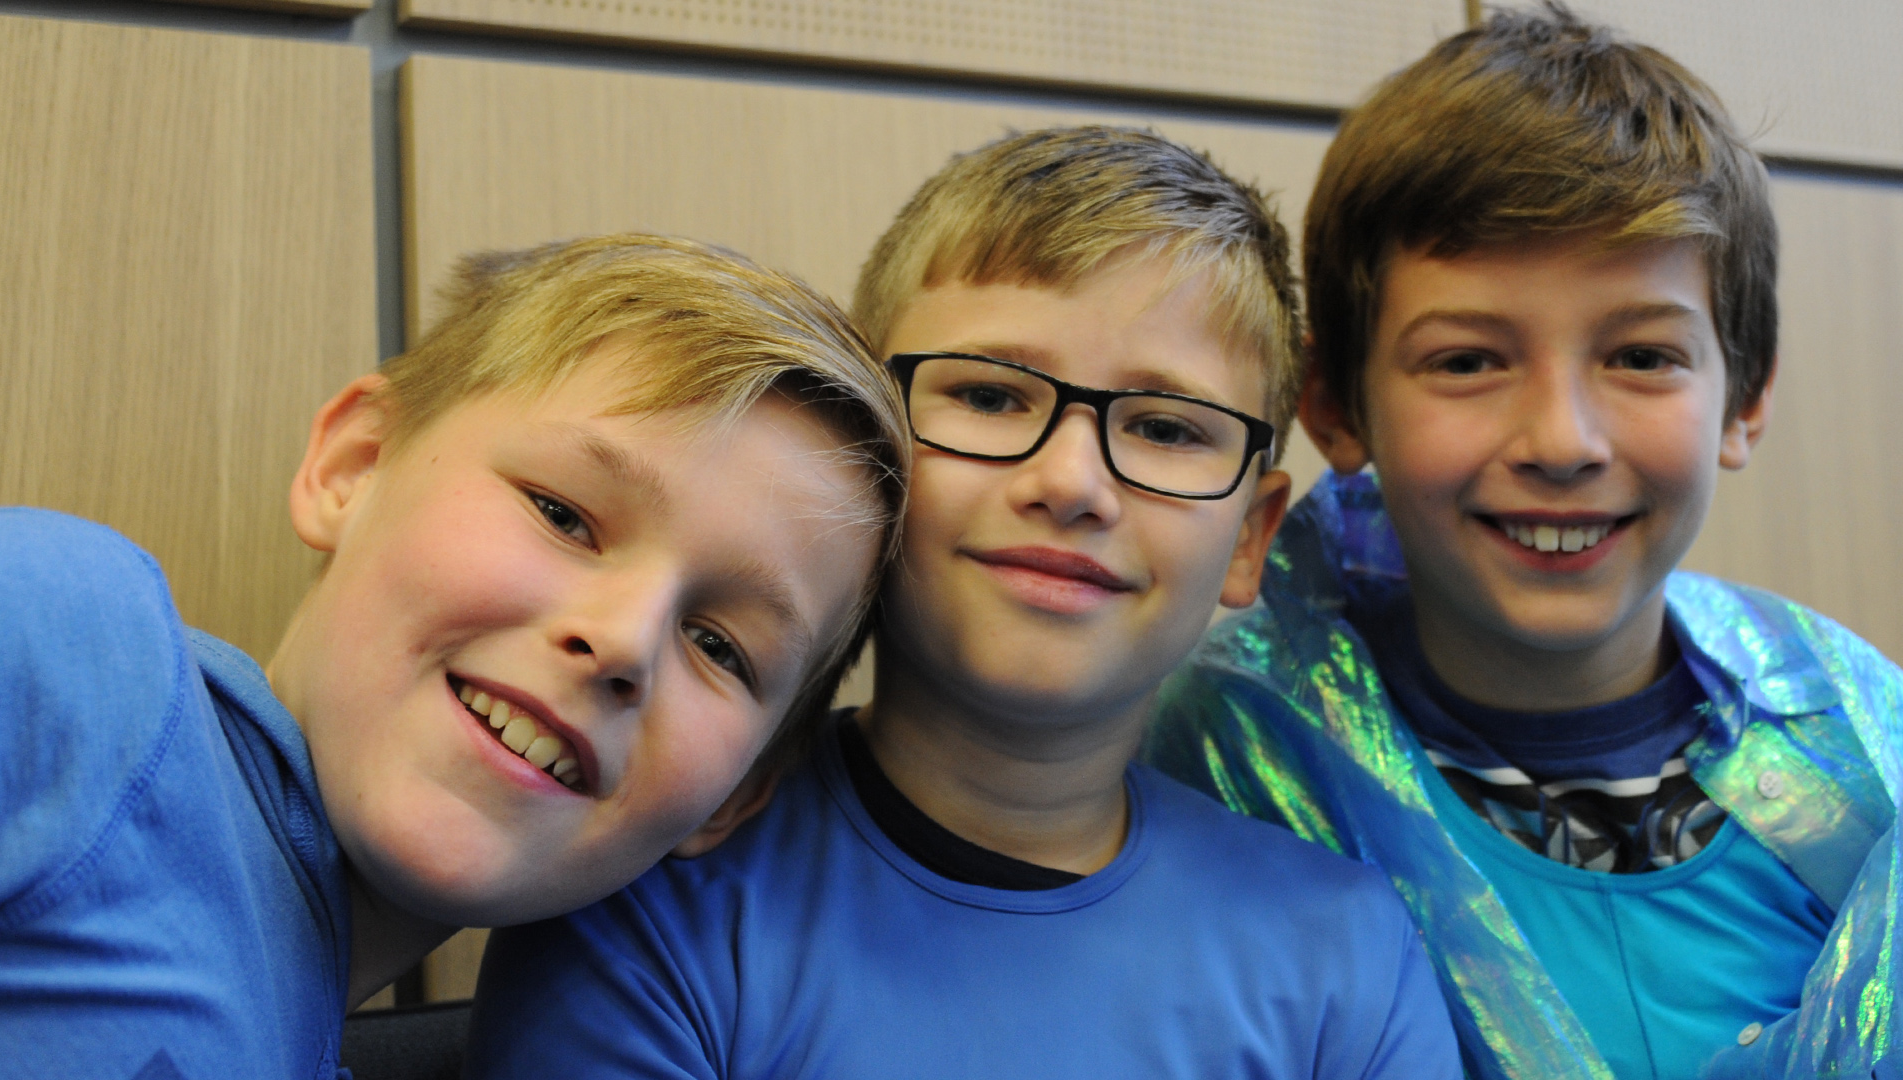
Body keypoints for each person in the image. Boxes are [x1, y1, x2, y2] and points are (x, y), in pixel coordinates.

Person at [465, 127, 1461, 1080]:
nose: (1072, 483)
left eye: (1165, 427)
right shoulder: (642, 900)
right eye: (989, 397)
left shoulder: (1349, 961)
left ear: (1249, 536)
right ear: (865, 455)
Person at [1144, 7, 1903, 1079]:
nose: (1563, 442)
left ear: (1746, 398)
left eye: (1642, 357)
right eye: (1466, 362)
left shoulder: (1860, 743)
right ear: (1333, 404)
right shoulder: (1221, 765)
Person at [0, 234, 908, 1080]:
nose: (624, 641)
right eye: (562, 514)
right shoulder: (73, 647)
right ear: (356, 464)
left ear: (739, 793)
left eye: (718, 646)